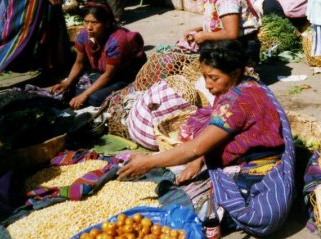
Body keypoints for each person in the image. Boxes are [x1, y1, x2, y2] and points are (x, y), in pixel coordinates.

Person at [118, 40, 294, 236]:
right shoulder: (245, 85)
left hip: (256, 172)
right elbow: (202, 147)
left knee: (184, 208)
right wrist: (197, 161)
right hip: (245, 158)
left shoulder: (236, 101)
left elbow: (195, 148)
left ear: (235, 73)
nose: (208, 85)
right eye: (205, 77)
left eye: (213, 78)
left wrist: (149, 162)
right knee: (178, 169)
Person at [52, 3, 145, 109]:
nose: (89, 27)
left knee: (94, 98)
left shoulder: (117, 41)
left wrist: (84, 95)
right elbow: (79, 63)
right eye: (86, 22)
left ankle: (129, 85)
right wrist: (67, 82)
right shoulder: (83, 35)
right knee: (71, 88)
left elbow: (108, 75)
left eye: (94, 22)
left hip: (125, 73)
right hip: (106, 72)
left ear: (107, 23)